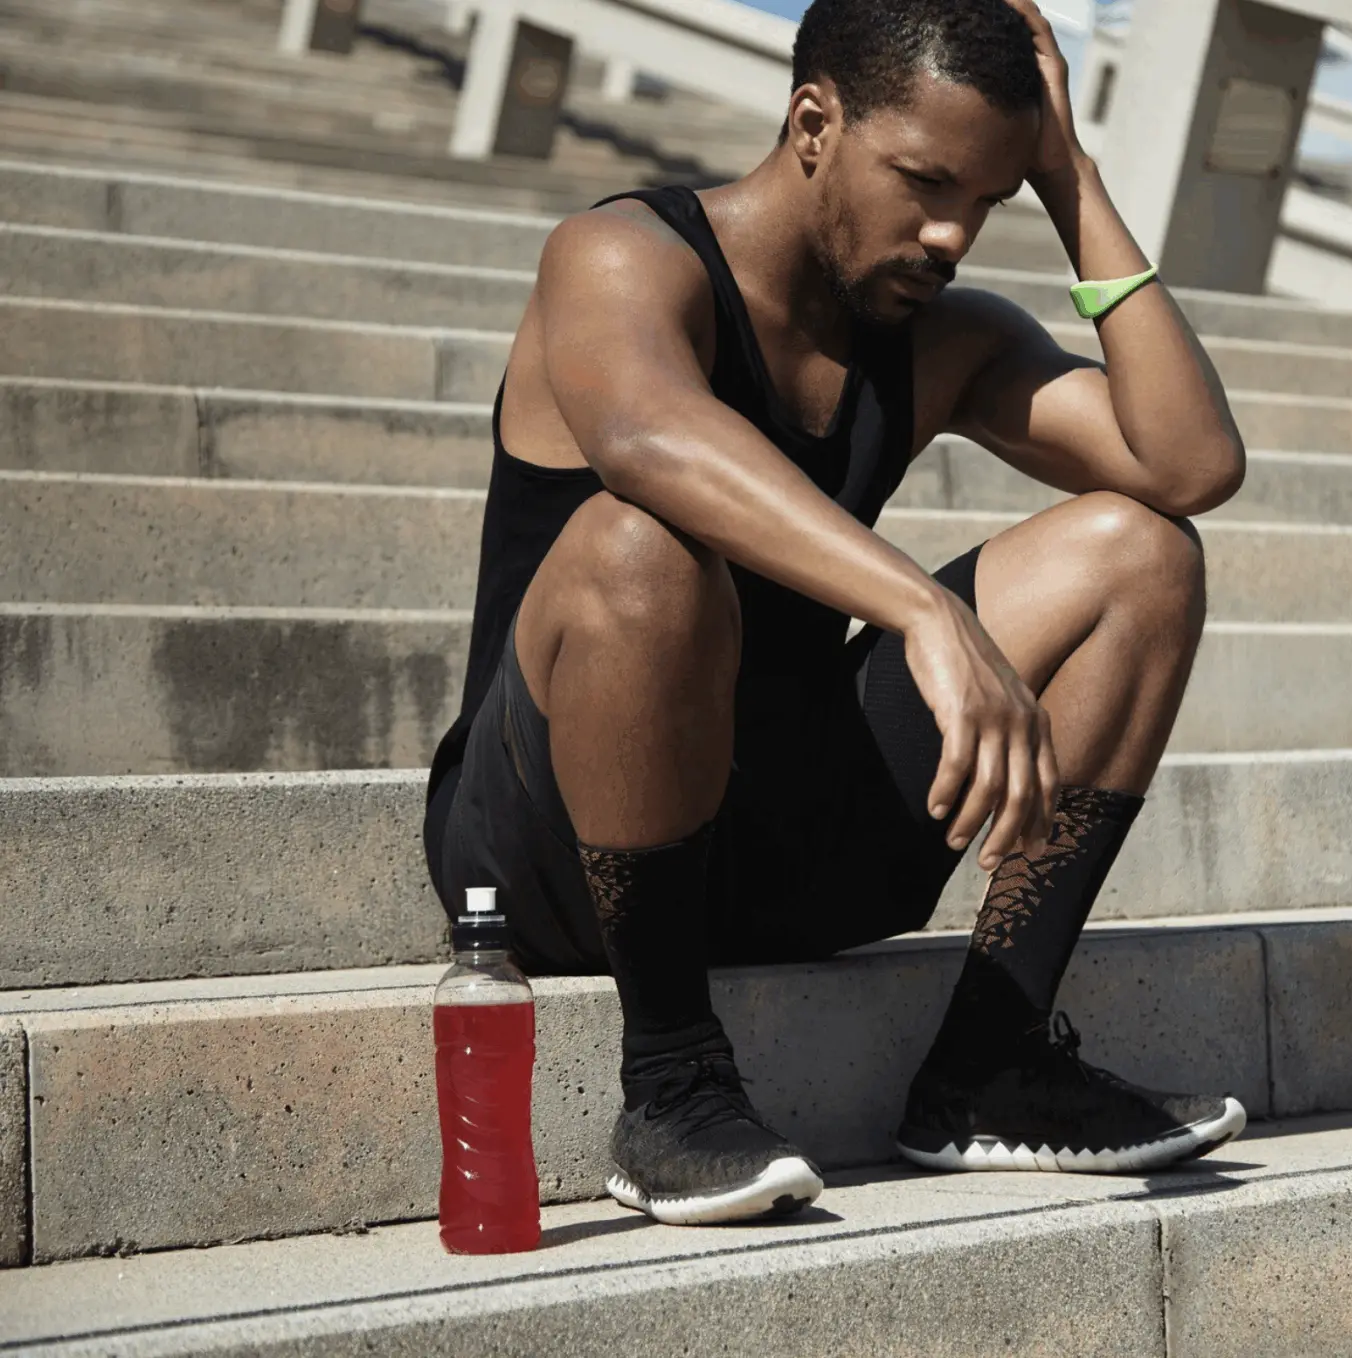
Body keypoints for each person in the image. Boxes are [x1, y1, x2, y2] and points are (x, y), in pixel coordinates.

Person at [422, 0, 1248, 1226]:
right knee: (639, 544)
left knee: (1145, 554)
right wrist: (924, 609)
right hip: (555, 854)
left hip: (787, 841)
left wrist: (1070, 180)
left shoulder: (938, 335)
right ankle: (670, 1084)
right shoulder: (619, 255)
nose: (951, 232)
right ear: (814, 124)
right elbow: (647, 436)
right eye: (924, 181)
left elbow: (1189, 463)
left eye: (987, 197)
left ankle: (991, 1058)